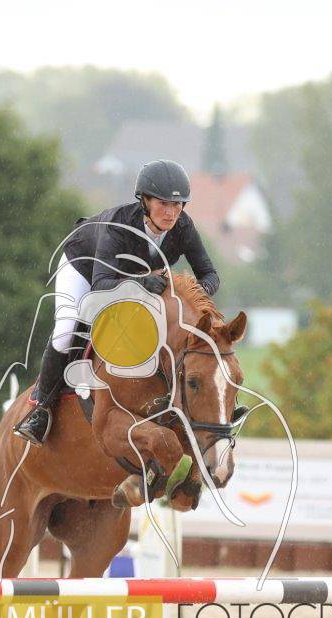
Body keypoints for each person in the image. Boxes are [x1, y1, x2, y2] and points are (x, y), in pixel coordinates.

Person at [14, 159, 222, 445]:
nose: (171, 212)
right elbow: (100, 285)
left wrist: (197, 293)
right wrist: (140, 284)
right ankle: (41, 409)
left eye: (177, 205)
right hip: (84, 268)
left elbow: (210, 274)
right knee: (66, 329)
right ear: (145, 201)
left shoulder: (183, 226)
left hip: (132, 280)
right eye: (163, 203)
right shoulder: (119, 226)